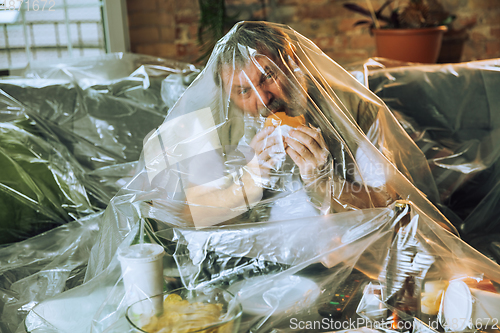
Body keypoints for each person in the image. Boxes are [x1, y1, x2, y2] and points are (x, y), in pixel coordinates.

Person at [145, 21, 397, 228]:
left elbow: (389, 202)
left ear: (291, 61)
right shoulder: (219, 125)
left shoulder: (355, 108)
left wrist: (323, 183)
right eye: (244, 91)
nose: (263, 98)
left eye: (268, 76)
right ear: (228, 96)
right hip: (262, 266)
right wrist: (248, 184)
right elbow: (191, 216)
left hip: (349, 258)